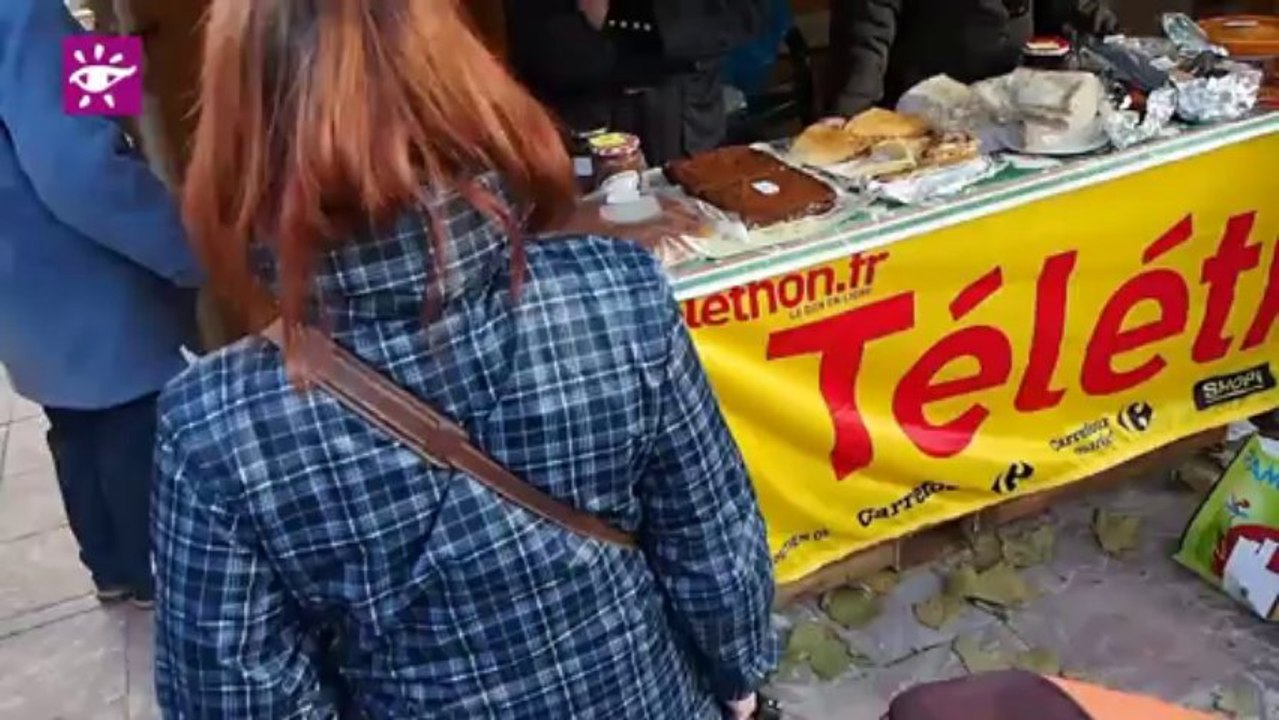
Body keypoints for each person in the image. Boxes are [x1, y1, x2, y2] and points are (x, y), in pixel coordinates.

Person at [153, 1, 777, 718]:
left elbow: (236, 700)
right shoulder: (617, 291)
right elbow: (712, 543)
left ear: (240, 132)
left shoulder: (216, 428)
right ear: (465, 81)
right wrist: (738, 679)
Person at [0, 0, 201, 607]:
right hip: (79, 262)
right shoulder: (24, 12)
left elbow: (100, 113)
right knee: (132, 417)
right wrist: (186, 248)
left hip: (20, 279)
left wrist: (110, 43)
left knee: (73, 420)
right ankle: (152, 573)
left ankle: (110, 566)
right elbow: (83, 167)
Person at [504, 0, 768, 164]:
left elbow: (743, 16)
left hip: (683, 121)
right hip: (578, 120)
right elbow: (533, 36)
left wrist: (627, 14)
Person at [827, 0, 1121, 116]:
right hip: (928, 106)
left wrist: (1093, 17)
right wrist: (851, 110)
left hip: (1017, 98)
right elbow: (866, 29)